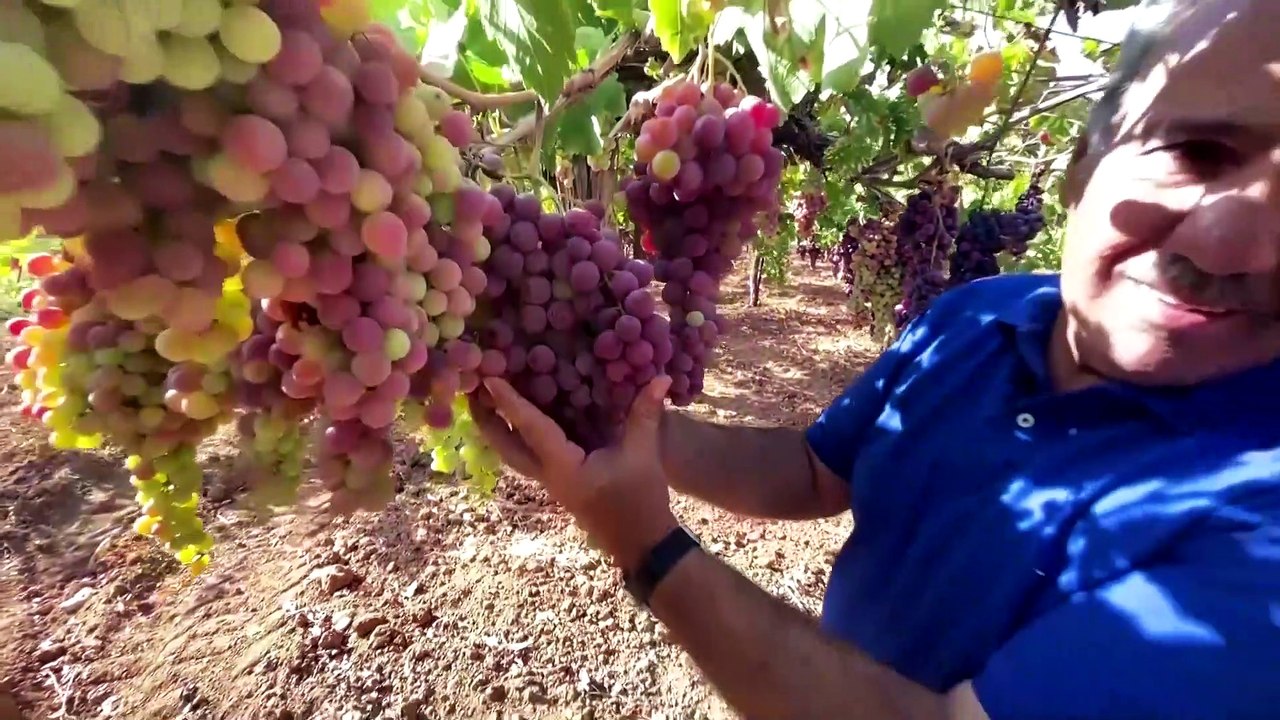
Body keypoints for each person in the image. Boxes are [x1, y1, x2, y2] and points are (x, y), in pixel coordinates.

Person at [470, 0, 1280, 717]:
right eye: (1197, 152)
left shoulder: (1263, 534)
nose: (1235, 243)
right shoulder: (981, 313)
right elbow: (815, 472)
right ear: (1079, 171)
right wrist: (629, 430)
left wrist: (649, 547)